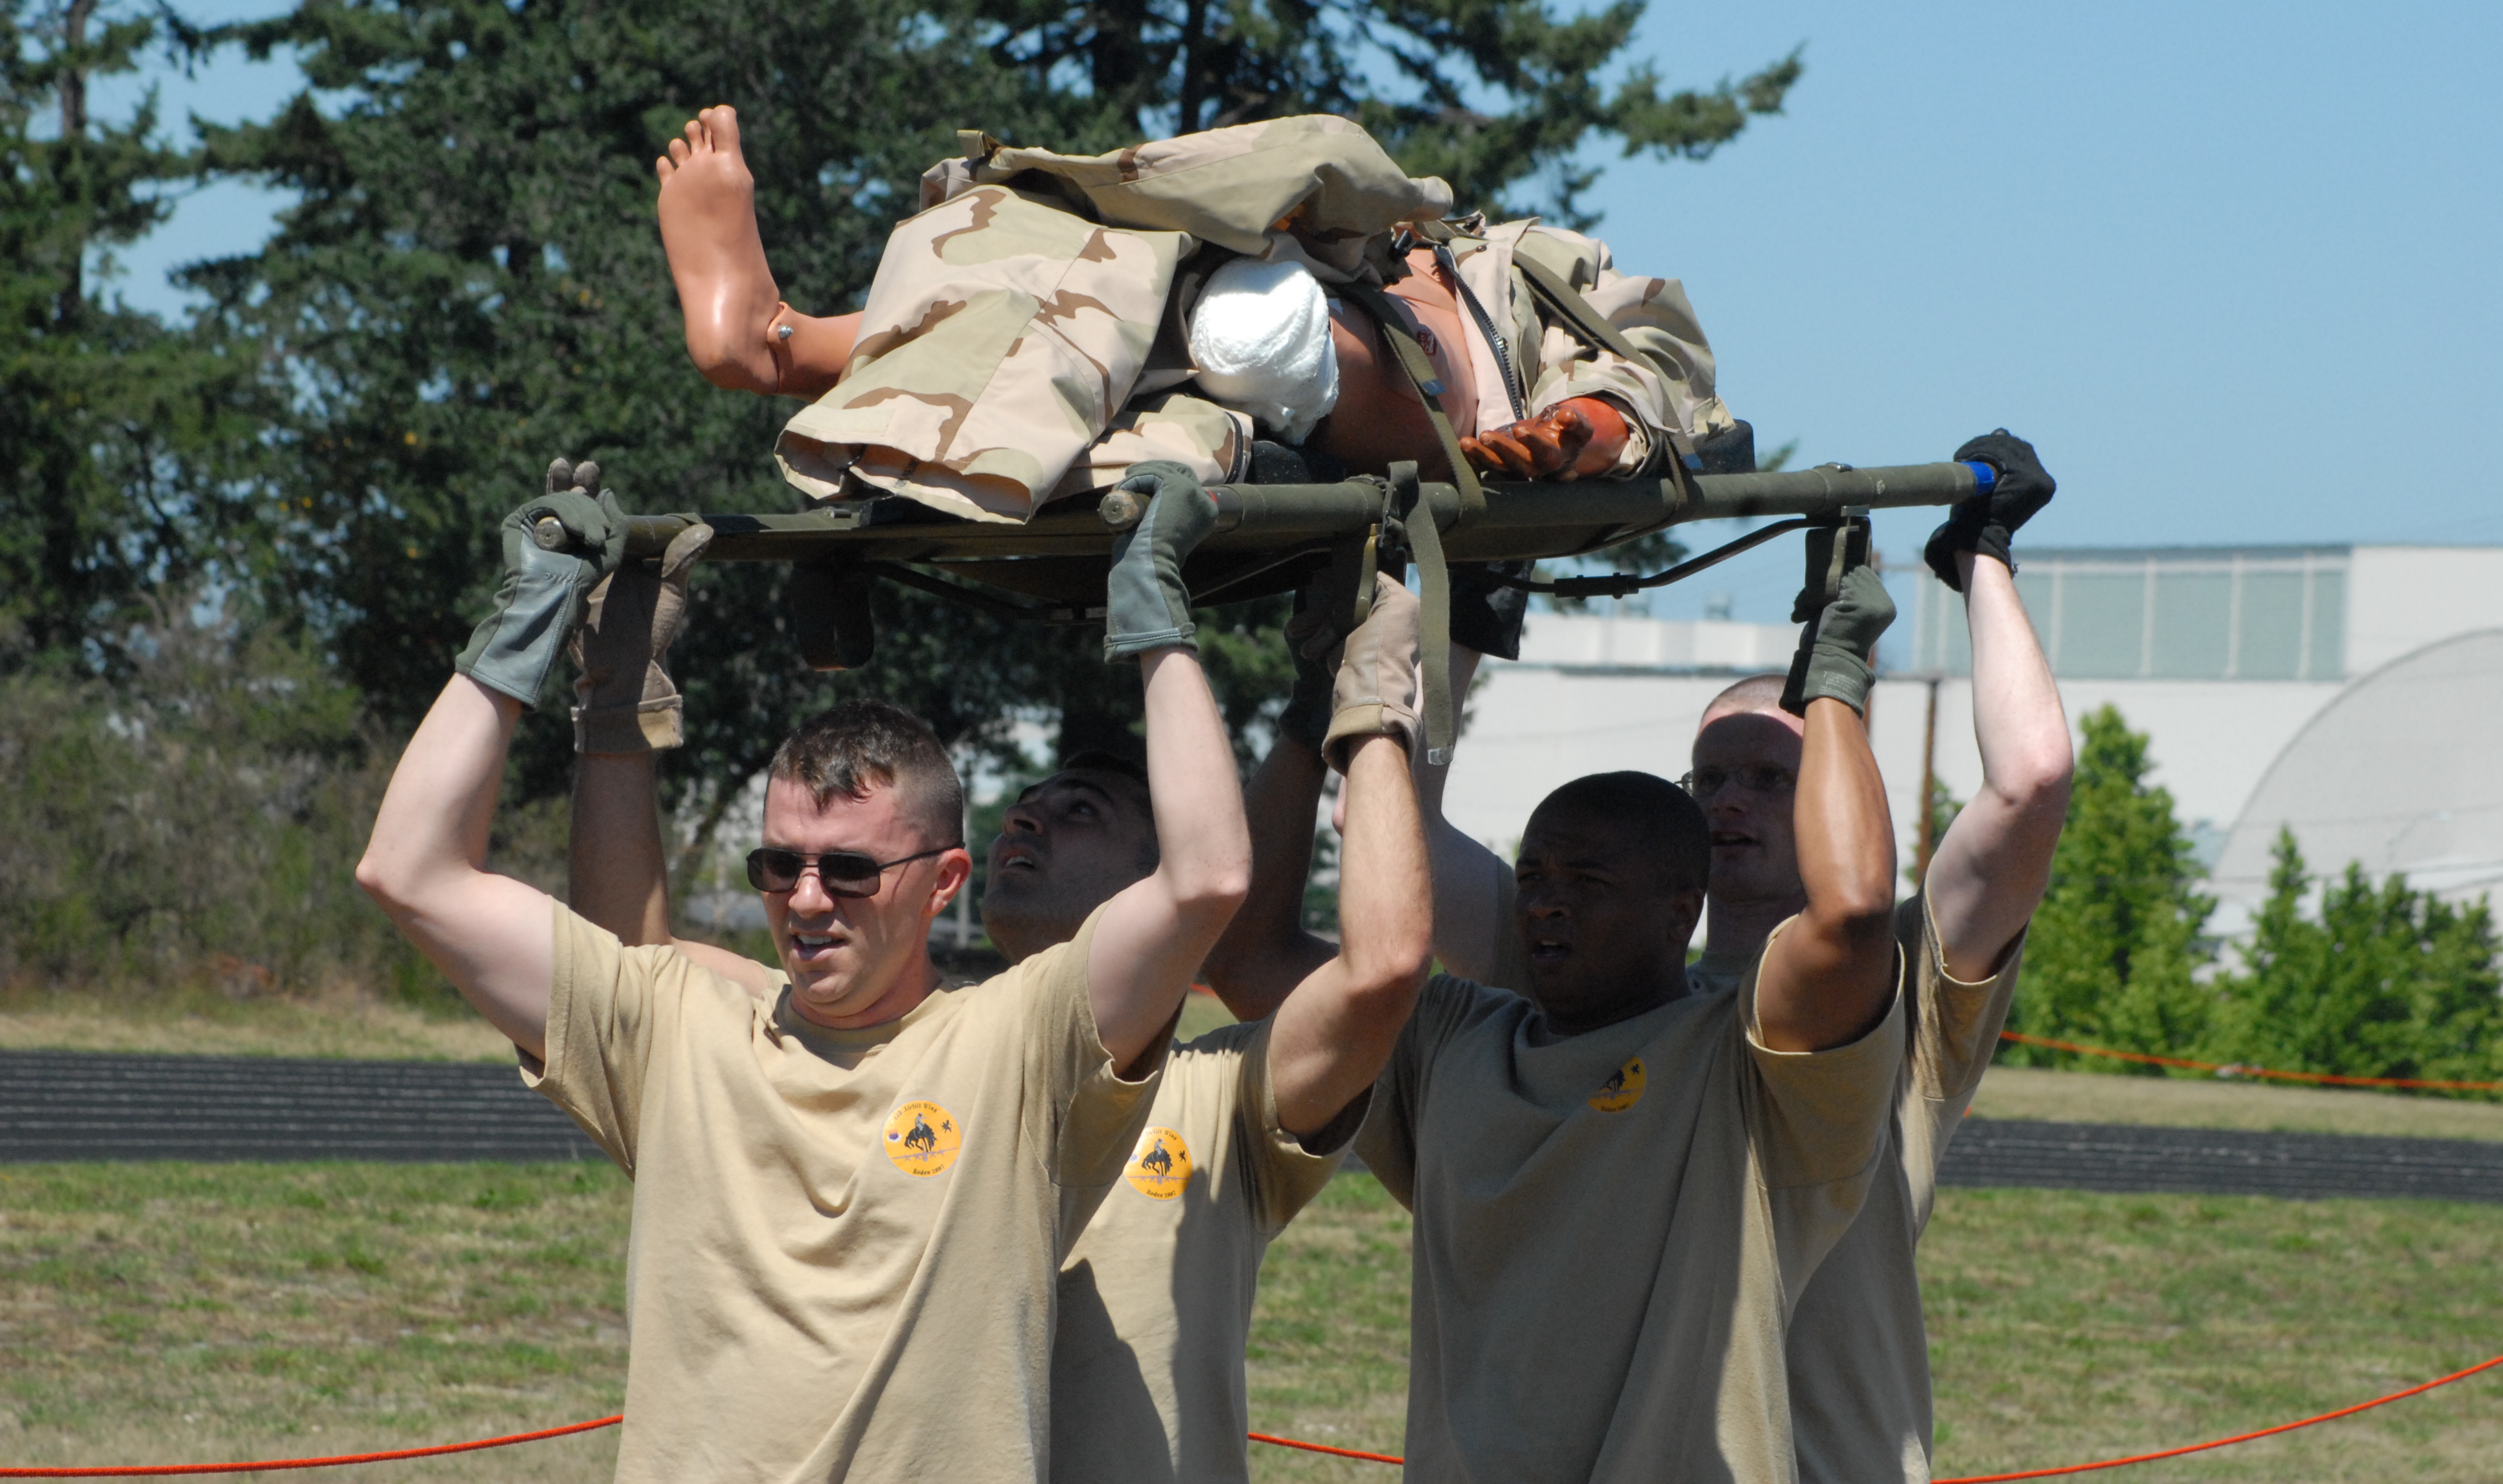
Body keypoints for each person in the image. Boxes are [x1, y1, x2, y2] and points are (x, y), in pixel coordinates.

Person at [354, 457, 1248, 1482]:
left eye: (852, 871)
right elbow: (408, 870)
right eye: (780, 866)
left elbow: (1209, 878)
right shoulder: (675, 1028)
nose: (808, 901)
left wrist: (1153, 616)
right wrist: (530, 624)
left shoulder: (1018, 1045)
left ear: (945, 879)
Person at [564, 479, 1438, 1483]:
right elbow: (626, 967)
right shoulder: (851, 1039)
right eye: (1023, 806)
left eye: (1079, 813)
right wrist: (617, 694)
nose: (1030, 818)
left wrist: (1364, 706)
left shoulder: (1218, 1097)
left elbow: (1381, 974)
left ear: (1160, 877)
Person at [1213, 556, 1911, 1482]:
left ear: (1681, 905)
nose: (1547, 905)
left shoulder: (1744, 1065)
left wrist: (1836, 680)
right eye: (1535, 877)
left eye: (1588, 883)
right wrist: (1318, 715)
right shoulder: (1455, 1037)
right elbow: (1249, 957)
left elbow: (1854, 914)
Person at [651, 105, 1734, 516]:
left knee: (1252, 327)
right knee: (1057, 243)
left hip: (1441, 395)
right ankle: (779, 336)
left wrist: (1596, 427)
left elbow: (1651, 350)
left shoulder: (1519, 262)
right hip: (1276, 290)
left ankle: (790, 345)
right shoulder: (1367, 236)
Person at [1679, 432, 2071, 1483]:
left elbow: (2033, 782)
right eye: (1710, 778)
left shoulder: (1903, 978)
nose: (1730, 801)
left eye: (1772, 777)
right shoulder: (1619, 985)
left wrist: (1979, 553)